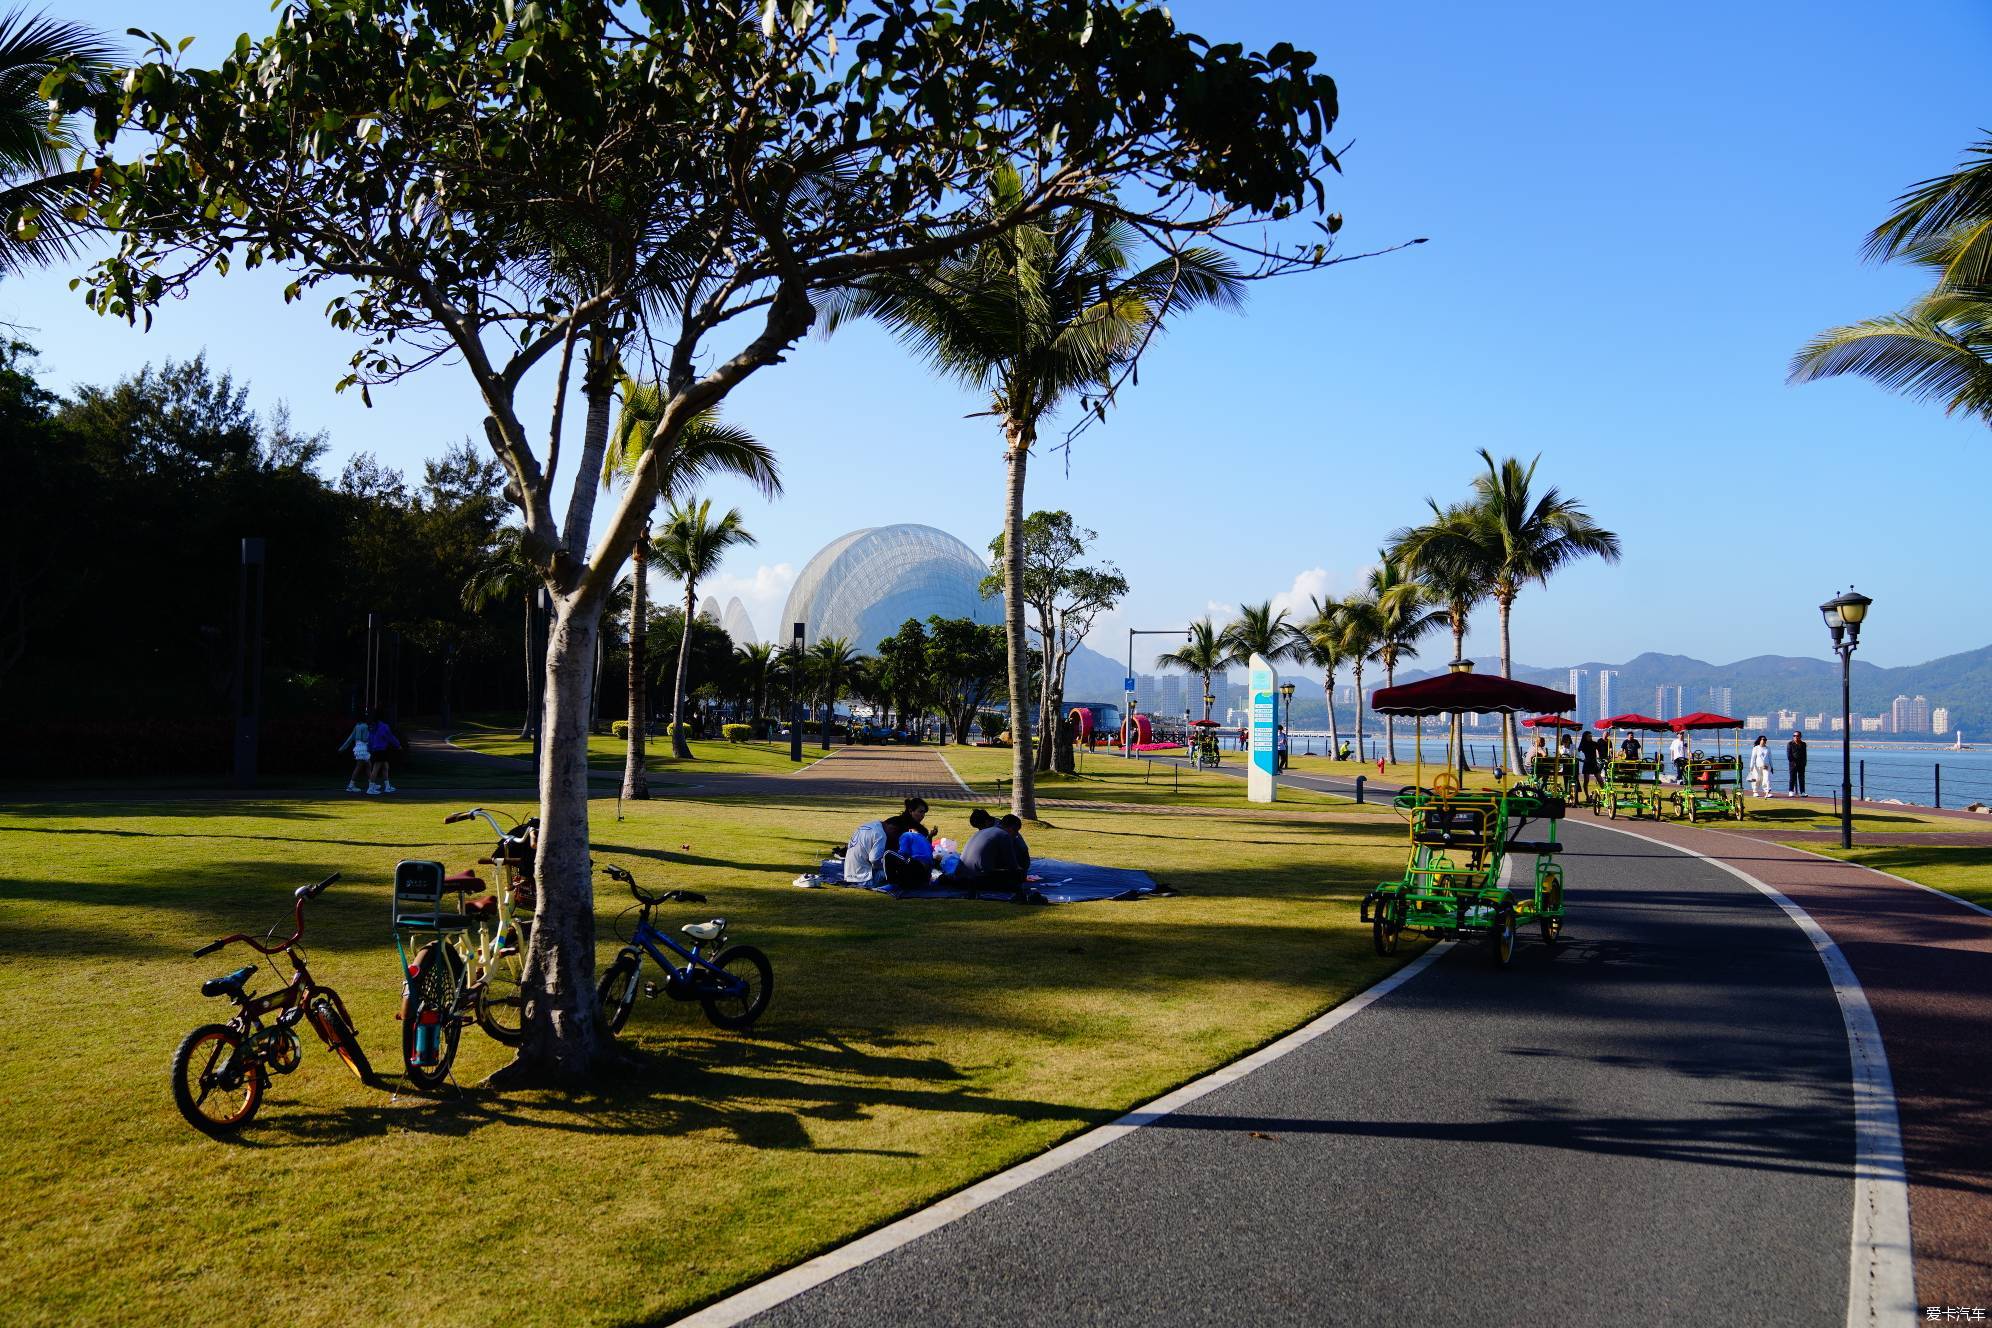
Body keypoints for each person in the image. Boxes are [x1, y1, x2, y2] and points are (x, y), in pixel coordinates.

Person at [962, 809, 1028, 891]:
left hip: (963, 873)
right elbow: (1013, 865)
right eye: (1016, 832)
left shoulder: (983, 831)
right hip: (977, 877)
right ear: (1011, 829)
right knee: (1019, 875)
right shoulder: (1004, 835)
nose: (1016, 836)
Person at [883, 818, 936, 890]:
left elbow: (904, 853)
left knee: (888, 853)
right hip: (926, 875)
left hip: (918, 867)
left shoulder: (907, 834)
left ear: (910, 829)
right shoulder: (925, 840)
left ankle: (892, 883)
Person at [367, 712, 402, 794]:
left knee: (385, 767)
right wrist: (398, 745)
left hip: (377, 749)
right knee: (376, 768)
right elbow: (390, 737)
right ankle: (370, 788)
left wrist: (370, 748)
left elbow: (370, 739)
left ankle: (387, 786)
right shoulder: (384, 727)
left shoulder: (373, 727)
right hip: (381, 749)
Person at [337, 713, 373, 793]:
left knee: (368, 765)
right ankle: (352, 785)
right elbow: (365, 738)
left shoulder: (357, 726)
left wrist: (342, 748)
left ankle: (371, 784)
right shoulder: (365, 726)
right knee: (361, 766)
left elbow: (350, 738)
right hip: (363, 747)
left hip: (358, 747)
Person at [1578, 730, 1601, 797]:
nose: (1590, 737)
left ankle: (1605, 795)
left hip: (1594, 763)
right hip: (1587, 763)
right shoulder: (1583, 744)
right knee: (1586, 781)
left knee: (1600, 780)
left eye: (1591, 736)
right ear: (1585, 737)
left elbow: (1601, 749)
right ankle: (1587, 796)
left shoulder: (1594, 743)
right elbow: (1576, 752)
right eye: (1589, 736)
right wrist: (1581, 760)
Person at [1786, 731, 1808, 797]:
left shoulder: (1803, 744)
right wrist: (1793, 762)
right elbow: (1789, 755)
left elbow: (1805, 754)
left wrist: (1804, 763)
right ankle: (1791, 791)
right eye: (1794, 736)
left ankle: (1802, 792)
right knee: (1792, 778)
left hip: (1801, 764)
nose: (1796, 737)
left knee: (1801, 778)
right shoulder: (1790, 744)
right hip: (1793, 764)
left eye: (1797, 736)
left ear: (1800, 736)